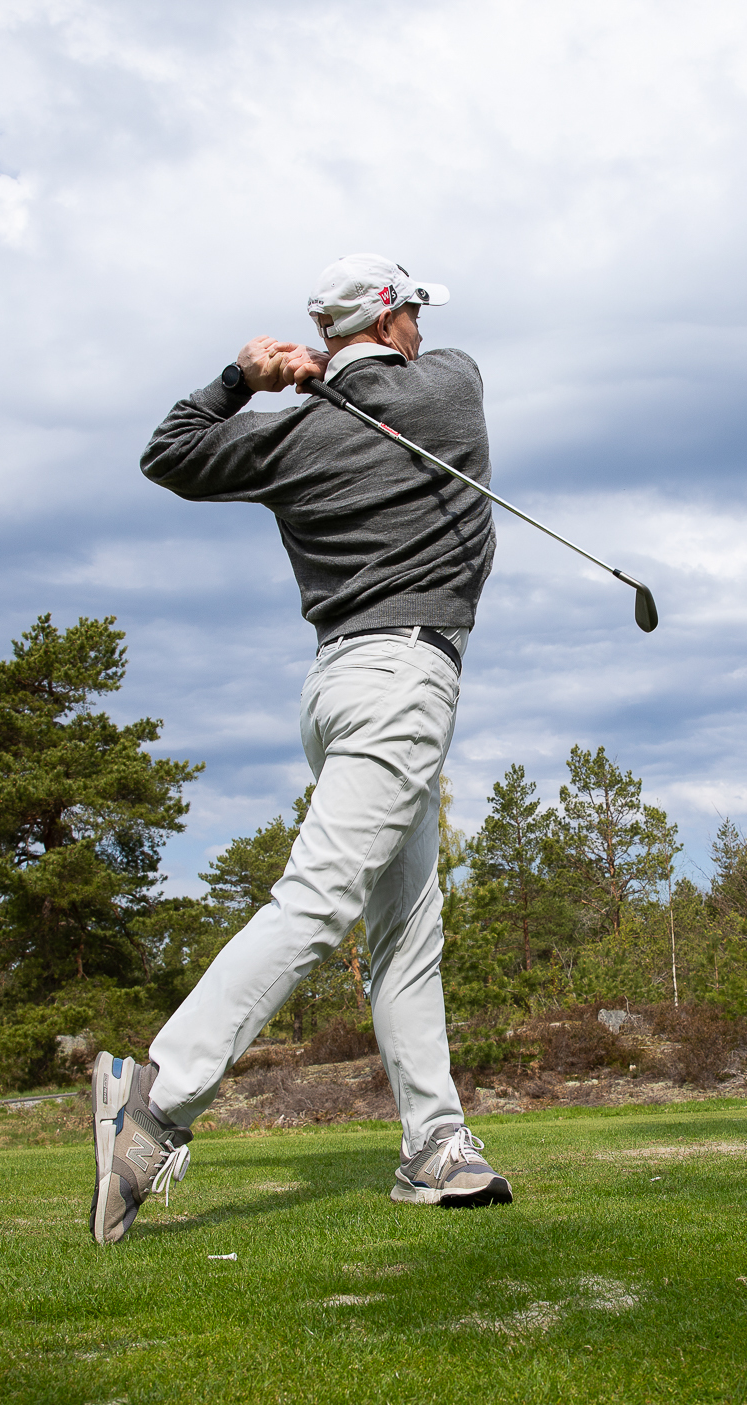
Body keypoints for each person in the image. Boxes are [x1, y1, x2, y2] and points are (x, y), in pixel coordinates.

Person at [88, 254, 511, 1245]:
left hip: (339, 685)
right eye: (412, 312)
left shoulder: (290, 435)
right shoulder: (452, 387)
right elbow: (429, 366)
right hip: (403, 681)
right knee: (318, 901)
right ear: (397, 319)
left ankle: (434, 1148)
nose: (423, 328)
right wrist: (334, 371)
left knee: (406, 922)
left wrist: (248, 379)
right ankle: (154, 1099)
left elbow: (171, 451)